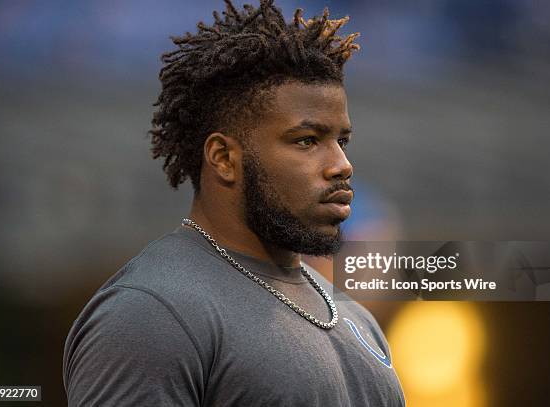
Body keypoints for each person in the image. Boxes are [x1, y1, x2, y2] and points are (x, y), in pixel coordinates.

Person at [63, 1, 405, 405]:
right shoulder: (151, 313)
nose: (341, 165)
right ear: (224, 159)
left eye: (341, 141)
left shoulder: (354, 319)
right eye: (307, 141)